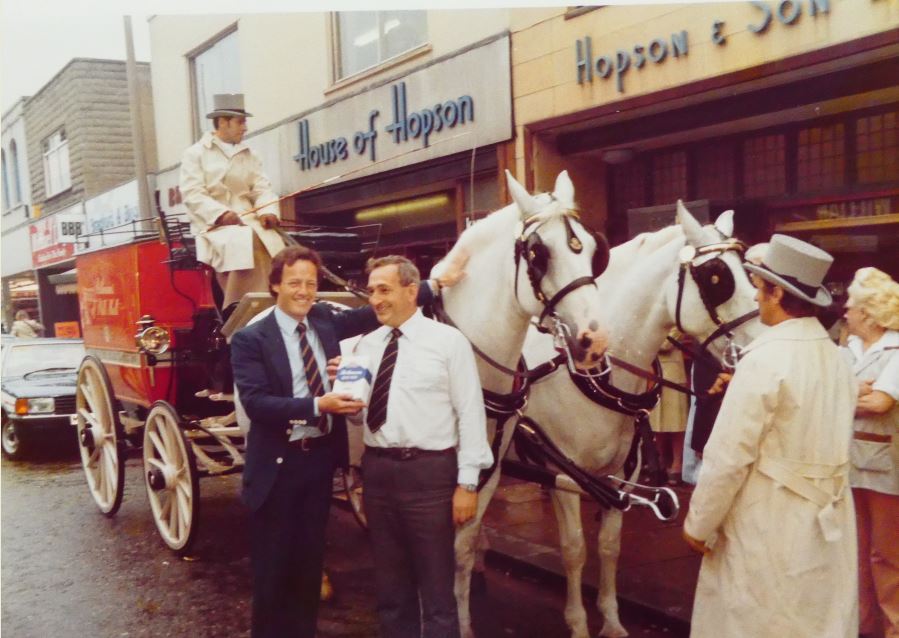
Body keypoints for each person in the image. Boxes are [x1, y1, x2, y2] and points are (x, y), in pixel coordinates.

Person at [231, 246, 453, 638]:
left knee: (309, 567)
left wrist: (432, 285)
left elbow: (372, 312)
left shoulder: (323, 320)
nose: (304, 291)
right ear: (275, 285)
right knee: (273, 573)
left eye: (310, 283)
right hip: (276, 469)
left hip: (317, 463)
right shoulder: (251, 339)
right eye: (294, 283)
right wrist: (319, 404)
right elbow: (256, 403)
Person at [682, 234, 858, 637]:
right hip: (829, 519)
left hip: (768, 520)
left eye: (760, 287)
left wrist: (699, 523)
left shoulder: (764, 359)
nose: (754, 297)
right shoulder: (837, 358)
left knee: (757, 621)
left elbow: (728, 457)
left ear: (777, 293)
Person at [349, 255, 492, 638]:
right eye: (371, 291)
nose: (375, 300)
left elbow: (471, 414)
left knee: (437, 590)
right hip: (378, 473)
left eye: (384, 290)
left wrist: (468, 484)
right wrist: (346, 397)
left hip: (429, 477)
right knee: (391, 590)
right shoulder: (365, 345)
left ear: (411, 291)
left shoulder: (448, 342)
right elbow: (360, 416)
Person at [180, 93, 285, 313]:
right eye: (240, 122)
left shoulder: (251, 155)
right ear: (223, 122)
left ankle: (275, 302)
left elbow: (262, 189)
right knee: (242, 242)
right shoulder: (195, 154)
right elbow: (192, 193)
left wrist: (268, 211)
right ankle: (239, 309)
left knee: (280, 246)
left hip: (251, 221)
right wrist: (220, 214)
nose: (245, 128)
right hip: (213, 226)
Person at [842, 267, 899, 638]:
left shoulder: (897, 350)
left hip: (885, 469)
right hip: (846, 465)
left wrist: (841, 393)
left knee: (887, 554)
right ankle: (864, 626)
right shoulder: (844, 349)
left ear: (868, 313)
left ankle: (894, 628)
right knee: (855, 552)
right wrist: (854, 391)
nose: (845, 310)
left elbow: (880, 403)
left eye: (851, 304)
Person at [649, 328, 688, 485]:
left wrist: (648, 337)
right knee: (656, 423)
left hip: (673, 377)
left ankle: (677, 464)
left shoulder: (676, 324)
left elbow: (665, 345)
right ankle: (661, 462)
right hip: (653, 375)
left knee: (677, 423)